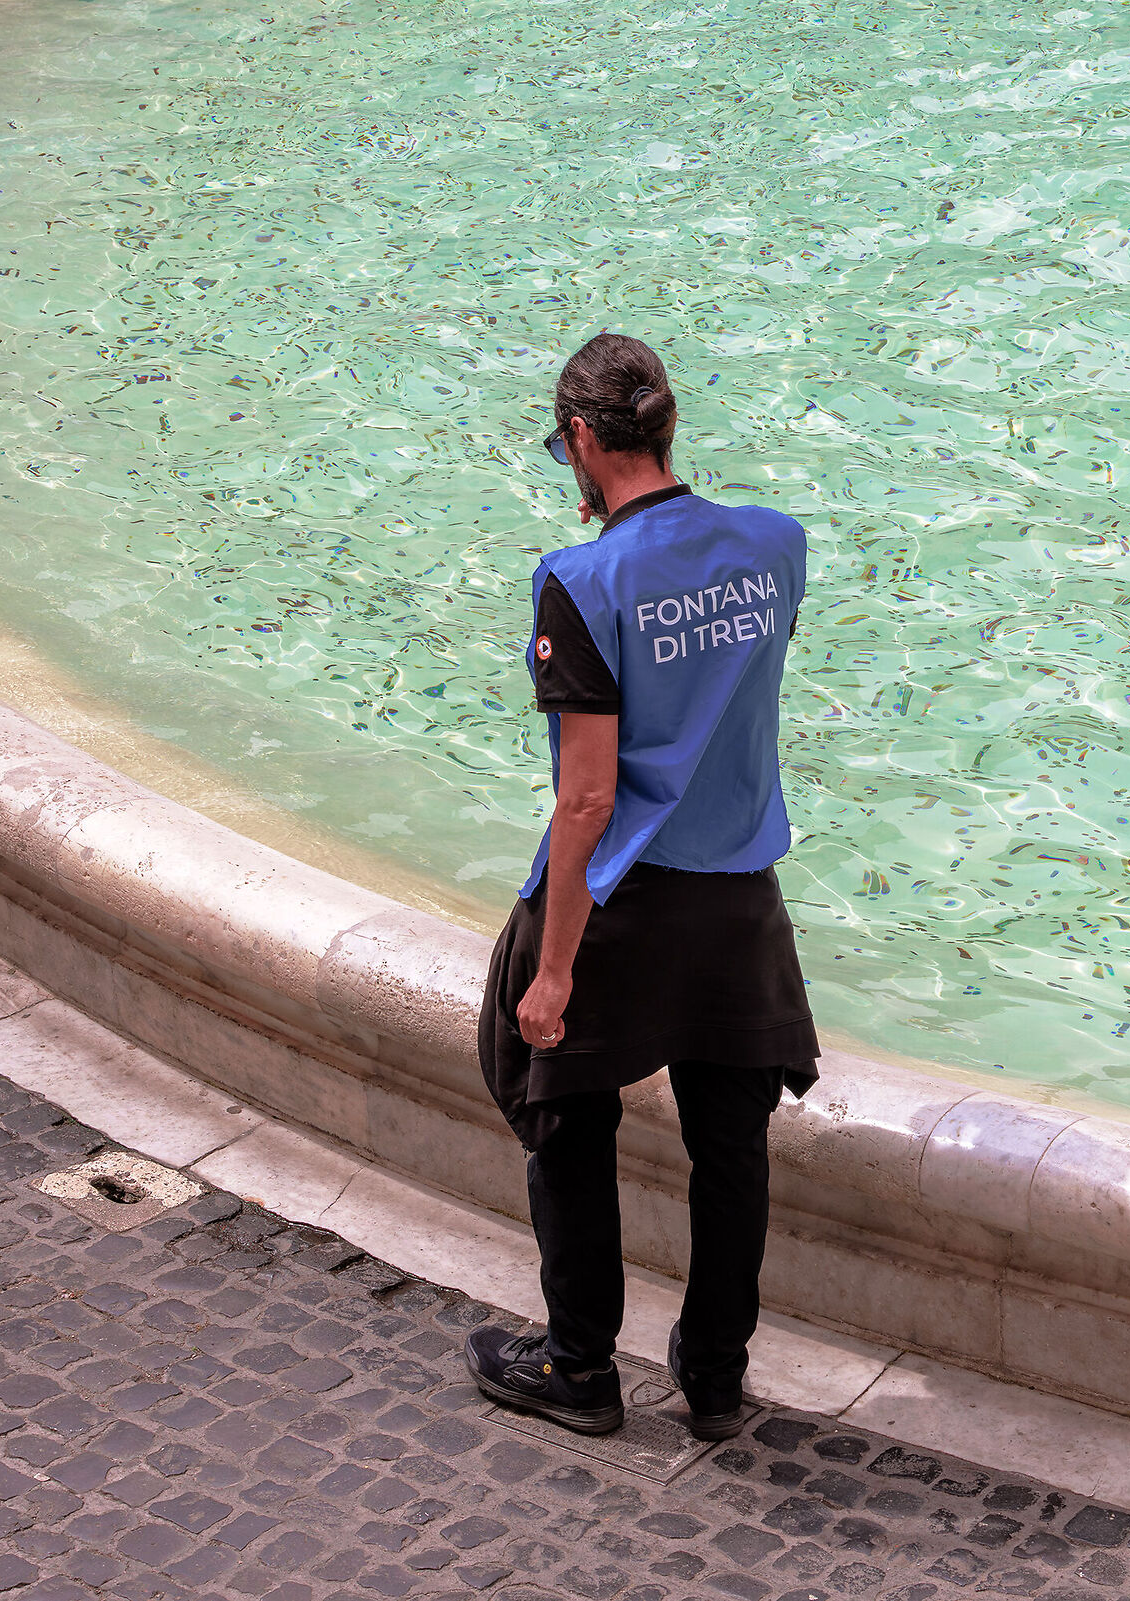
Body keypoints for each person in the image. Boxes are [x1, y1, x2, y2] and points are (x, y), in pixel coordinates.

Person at [465, 332, 819, 1440]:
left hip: (622, 907)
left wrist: (556, 967)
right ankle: (714, 1376)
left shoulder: (579, 580)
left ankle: (581, 1368)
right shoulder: (775, 545)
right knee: (732, 1143)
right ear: (666, 424)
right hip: (739, 904)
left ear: (580, 438)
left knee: (559, 1108)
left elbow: (587, 800)